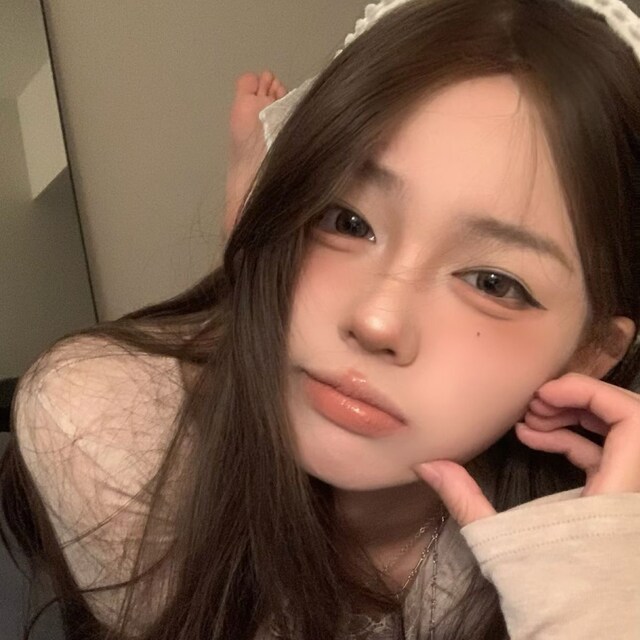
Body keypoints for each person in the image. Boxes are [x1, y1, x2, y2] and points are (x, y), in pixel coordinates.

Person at [2, 0, 640, 638]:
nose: (378, 321)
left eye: (493, 283)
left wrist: (593, 607)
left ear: (590, 352)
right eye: (346, 221)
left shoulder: (606, 544)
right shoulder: (102, 423)